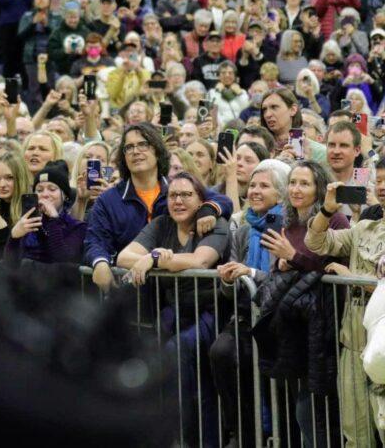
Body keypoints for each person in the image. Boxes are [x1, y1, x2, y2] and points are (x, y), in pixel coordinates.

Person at [117, 172, 229, 448]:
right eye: (173, 196)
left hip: (210, 312)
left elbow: (200, 261)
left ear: (201, 200)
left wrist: (155, 259)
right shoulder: (161, 224)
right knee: (148, 353)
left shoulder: (215, 224)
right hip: (174, 311)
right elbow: (123, 257)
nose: (178, 201)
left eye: (186, 195)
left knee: (183, 361)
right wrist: (150, 256)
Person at [84, 123, 231, 293]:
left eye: (143, 144)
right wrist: (99, 262)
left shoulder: (176, 190)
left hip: (172, 294)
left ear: (157, 150)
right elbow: (94, 240)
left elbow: (222, 200)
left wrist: (208, 209)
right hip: (131, 293)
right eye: (129, 147)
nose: (135, 151)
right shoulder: (108, 200)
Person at [210, 159, 291, 448]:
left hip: (280, 318)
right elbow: (228, 292)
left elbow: (288, 278)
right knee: (222, 352)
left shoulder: (289, 228)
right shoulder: (242, 230)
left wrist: (252, 274)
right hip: (246, 317)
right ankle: (241, 432)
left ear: (281, 194)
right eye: (253, 185)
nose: (255, 190)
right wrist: (229, 280)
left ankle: (276, 436)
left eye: (264, 186)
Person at [306, 178, 385, 446]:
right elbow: (316, 243)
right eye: (381, 179)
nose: (384, 186)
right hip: (353, 343)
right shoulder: (364, 228)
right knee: (355, 436)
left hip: (382, 347)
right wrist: (327, 211)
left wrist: (349, 275)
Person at [6, 160, 86, 265]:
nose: (45, 194)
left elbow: (62, 258)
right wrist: (14, 237)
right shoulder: (26, 224)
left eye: (52, 189)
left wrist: (54, 219)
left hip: (55, 280)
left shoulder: (77, 227)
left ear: (65, 195)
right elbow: (9, 264)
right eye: (39, 190)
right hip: (25, 280)